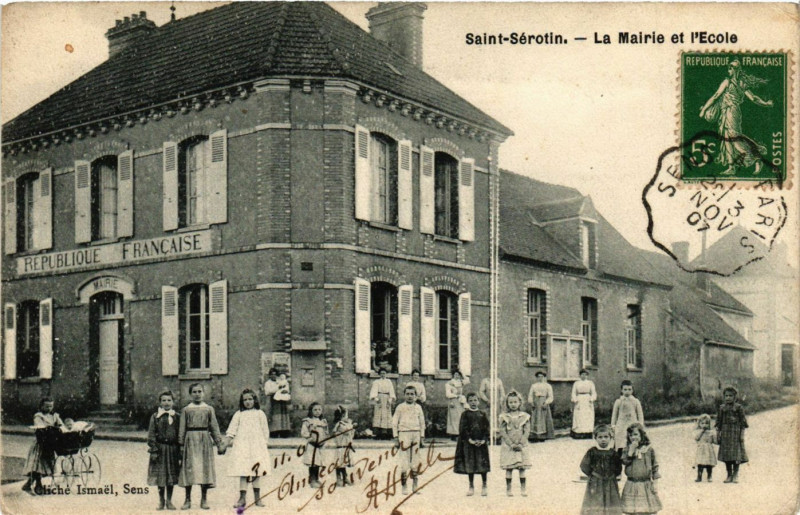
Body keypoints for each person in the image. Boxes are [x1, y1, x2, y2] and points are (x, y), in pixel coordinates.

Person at [699, 59, 774, 175]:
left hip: (732, 112)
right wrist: (766, 103)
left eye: (731, 67)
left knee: (734, 137)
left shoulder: (729, 82)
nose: (729, 69)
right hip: (726, 112)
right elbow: (753, 98)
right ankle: (731, 167)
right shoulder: (740, 83)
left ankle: (755, 157)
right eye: (729, 67)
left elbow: (716, 96)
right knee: (726, 138)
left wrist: (704, 109)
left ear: (736, 70)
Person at [178, 383, 224, 510]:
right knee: (189, 469)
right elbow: (182, 428)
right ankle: (187, 499)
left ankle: (204, 499)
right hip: (190, 440)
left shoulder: (209, 409)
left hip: (204, 440)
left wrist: (219, 443)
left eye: (199, 391)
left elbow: (214, 427)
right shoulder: (186, 410)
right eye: (194, 392)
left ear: (203, 393)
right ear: (190, 394)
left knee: (204, 469)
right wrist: (181, 444)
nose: (197, 394)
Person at [225, 388, 270, 509]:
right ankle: (242, 498)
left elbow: (265, 431)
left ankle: (257, 498)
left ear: (255, 400)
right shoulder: (239, 414)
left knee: (256, 472)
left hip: (257, 447)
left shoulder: (260, 414)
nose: (248, 402)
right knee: (243, 471)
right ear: (242, 402)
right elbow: (232, 430)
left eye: (250, 399)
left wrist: (263, 445)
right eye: (245, 400)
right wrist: (225, 443)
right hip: (242, 447)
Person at [147, 390, 181, 510]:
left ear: (173, 402)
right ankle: (161, 500)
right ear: (160, 402)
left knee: (171, 475)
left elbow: (180, 433)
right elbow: (151, 434)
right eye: (164, 400)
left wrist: (180, 448)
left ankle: (169, 501)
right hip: (160, 449)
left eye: (169, 400)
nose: (166, 403)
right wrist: (154, 449)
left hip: (172, 450)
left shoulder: (177, 417)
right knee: (161, 476)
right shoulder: (155, 417)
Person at [22, 397, 63, 495]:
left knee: (45, 464)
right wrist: (50, 428)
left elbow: (61, 425)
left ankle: (29, 484)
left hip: (50, 443)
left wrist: (60, 427)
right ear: (41, 406)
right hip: (40, 443)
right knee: (38, 465)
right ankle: (38, 485)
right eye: (46, 406)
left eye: (51, 406)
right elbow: (39, 427)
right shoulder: (38, 416)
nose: (49, 408)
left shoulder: (54, 416)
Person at [579, 424, 623, 515]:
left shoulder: (613, 453)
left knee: (611, 502)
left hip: (610, 482)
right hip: (596, 482)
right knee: (595, 502)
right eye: (600, 437)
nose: (603, 439)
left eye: (606, 437)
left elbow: (618, 467)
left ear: (610, 438)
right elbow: (584, 465)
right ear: (595, 438)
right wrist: (593, 475)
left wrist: (612, 475)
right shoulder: (592, 451)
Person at [454, 392, 491, 497]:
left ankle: (484, 485)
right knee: (470, 464)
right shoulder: (465, 414)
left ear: (478, 401)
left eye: (475, 400)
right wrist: (469, 439)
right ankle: (471, 486)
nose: (473, 402)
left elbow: (487, 428)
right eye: (470, 401)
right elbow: (463, 428)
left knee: (482, 464)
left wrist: (484, 440)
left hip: (481, 444)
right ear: (467, 402)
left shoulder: (482, 414)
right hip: (469, 444)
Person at [620, 424, 662, 515]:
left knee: (646, 510)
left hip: (645, 484)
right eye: (630, 435)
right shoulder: (626, 449)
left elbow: (655, 467)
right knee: (632, 511)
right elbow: (624, 461)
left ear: (642, 435)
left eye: (635, 434)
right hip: (632, 484)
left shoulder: (648, 450)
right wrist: (630, 452)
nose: (633, 437)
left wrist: (655, 483)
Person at [392, 385, 426, 495]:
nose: (410, 396)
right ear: (404, 395)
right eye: (407, 394)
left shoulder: (418, 407)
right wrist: (396, 437)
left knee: (415, 459)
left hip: (416, 433)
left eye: (412, 394)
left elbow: (422, 423)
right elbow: (394, 423)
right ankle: (404, 485)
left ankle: (415, 485)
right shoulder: (400, 407)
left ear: (416, 396)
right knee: (404, 459)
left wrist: (422, 437)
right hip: (404, 434)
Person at [498, 391, 531, 497]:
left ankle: (523, 489)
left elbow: (527, 431)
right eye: (510, 402)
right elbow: (502, 431)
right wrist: (510, 444)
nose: (513, 404)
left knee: (522, 468)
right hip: (509, 446)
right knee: (509, 468)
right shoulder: (504, 416)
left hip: (521, 446)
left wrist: (521, 443)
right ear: (507, 404)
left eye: (515, 402)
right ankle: (509, 489)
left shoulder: (524, 416)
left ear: (519, 403)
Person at [716, 386, 748, 483]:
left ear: (735, 397)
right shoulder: (722, 408)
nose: (728, 398)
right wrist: (718, 434)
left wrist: (742, 435)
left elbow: (743, 423)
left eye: (730, 396)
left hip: (735, 434)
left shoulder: (738, 408)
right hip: (725, 435)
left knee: (736, 455)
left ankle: (735, 474)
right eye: (726, 396)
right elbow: (718, 423)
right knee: (727, 455)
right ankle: (729, 474)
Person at [301, 402, 329, 488]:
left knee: (318, 463)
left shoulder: (323, 422)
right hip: (312, 445)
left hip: (320, 446)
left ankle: (316, 479)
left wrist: (324, 440)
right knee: (312, 463)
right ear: (311, 411)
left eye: (319, 409)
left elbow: (326, 432)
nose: (317, 411)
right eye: (315, 410)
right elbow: (304, 432)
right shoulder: (308, 421)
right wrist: (310, 437)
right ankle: (312, 479)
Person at [611, 380, 644, 450]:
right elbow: (614, 415)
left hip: (632, 424)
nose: (627, 391)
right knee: (620, 442)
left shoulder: (635, 401)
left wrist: (640, 424)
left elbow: (640, 414)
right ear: (622, 390)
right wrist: (613, 425)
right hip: (621, 425)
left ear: (632, 390)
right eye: (625, 389)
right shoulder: (618, 401)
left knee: (632, 440)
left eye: (629, 389)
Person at [331, 406, 356, 487]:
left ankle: (345, 477)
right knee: (339, 464)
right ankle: (339, 478)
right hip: (340, 448)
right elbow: (347, 431)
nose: (347, 417)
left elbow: (351, 435)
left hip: (345, 447)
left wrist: (352, 428)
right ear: (342, 416)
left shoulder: (345, 424)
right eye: (346, 415)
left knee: (343, 464)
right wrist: (351, 425)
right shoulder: (340, 425)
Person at [263, 368, 291, 438]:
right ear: (269, 375)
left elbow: (286, 387)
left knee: (283, 416)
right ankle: (274, 432)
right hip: (272, 401)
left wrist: (285, 390)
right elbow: (267, 392)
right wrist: (277, 388)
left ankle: (283, 431)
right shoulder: (268, 383)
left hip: (282, 400)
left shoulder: (280, 381)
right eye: (272, 374)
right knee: (274, 416)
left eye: (275, 374)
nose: (273, 376)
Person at [527, 371, 554, 441]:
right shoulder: (534, 386)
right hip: (536, 403)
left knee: (543, 418)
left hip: (543, 403)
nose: (540, 378)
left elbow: (551, 396)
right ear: (536, 378)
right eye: (538, 377)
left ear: (544, 377)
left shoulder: (547, 386)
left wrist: (546, 403)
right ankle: (534, 436)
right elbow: (530, 395)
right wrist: (531, 402)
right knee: (535, 418)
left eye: (542, 376)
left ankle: (543, 436)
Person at [369, 368, 396, 439]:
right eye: (381, 373)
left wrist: (389, 401)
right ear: (379, 374)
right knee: (378, 415)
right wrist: (377, 399)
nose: (383, 375)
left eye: (384, 373)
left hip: (387, 399)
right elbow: (374, 392)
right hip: (379, 399)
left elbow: (391, 392)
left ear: (386, 374)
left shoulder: (389, 382)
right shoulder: (376, 382)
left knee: (386, 415)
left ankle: (386, 433)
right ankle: (378, 434)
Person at [572, 369, 598, 439]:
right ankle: (579, 433)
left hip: (587, 400)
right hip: (579, 400)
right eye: (582, 374)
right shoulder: (576, 383)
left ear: (587, 376)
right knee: (579, 416)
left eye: (585, 375)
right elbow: (573, 393)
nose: (583, 376)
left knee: (588, 416)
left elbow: (594, 393)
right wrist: (575, 400)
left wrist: (591, 399)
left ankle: (588, 433)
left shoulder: (590, 383)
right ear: (580, 375)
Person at [478, 375, 506, 441]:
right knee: (489, 418)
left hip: (497, 403)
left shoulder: (499, 381)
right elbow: (481, 392)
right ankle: (489, 435)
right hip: (488, 402)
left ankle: (497, 436)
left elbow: (502, 392)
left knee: (497, 418)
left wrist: (501, 400)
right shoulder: (485, 381)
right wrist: (486, 400)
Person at [446, 370, 469, 439]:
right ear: (453, 375)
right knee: (454, 418)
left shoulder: (460, 382)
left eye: (458, 375)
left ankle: (460, 433)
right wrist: (456, 396)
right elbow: (448, 394)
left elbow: (467, 380)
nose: (457, 376)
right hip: (453, 401)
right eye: (455, 374)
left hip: (460, 401)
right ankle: (454, 434)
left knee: (460, 417)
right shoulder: (449, 383)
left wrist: (462, 372)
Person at [694, 414, 717, 482]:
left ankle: (709, 476)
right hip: (701, 449)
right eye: (702, 423)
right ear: (699, 424)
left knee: (709, 464)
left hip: (709, 449)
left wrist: (715, 435)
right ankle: (699, 476)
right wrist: (702, 431)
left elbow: (715, 441)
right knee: (700, 463)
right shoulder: (698, 431)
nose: (704, 425)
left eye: (706, 423)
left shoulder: (711, 432)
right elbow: (696, 438)